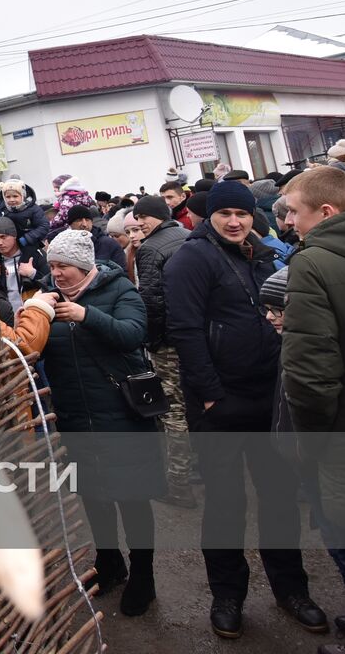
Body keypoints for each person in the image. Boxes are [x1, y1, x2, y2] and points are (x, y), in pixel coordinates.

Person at [163, 179, 327, 639]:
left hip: (268, 395)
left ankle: (291, 589)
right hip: (219, 404)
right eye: (225, 215)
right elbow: (185, 330)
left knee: (278, 498)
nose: (235, 222)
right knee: (225, 503)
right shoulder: (191, 259)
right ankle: (227, 596)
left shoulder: (266, 254)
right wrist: (212, 394)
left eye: (243, 213)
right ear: (208, 217)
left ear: (254, 215)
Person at [39, 230, 164, 617]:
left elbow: (132, 335)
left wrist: (86, 315)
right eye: (53, 266)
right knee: (93, 497)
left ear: (84, 266)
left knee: (132, 498)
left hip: (121, 415)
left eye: (64, 267)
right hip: (75, 416)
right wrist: (32, 314)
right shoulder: (48, 297)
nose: (56, 274)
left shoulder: (119, 290)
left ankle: (143, 573)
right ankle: (109, 561)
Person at [279, 166, 345, 654]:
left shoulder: (314, 263)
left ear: (327, 212)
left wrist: (309, 442)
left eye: (294, 211)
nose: (288, 221)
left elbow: (312, 377)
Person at [130, 194, 195, 508]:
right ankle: (200, 470)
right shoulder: (186, 235)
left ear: (156, 216)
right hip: (194, 335)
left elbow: (152, 301)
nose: (139, 224)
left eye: (142, 218)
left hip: (168, 340)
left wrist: (151, 340)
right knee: (194, 401)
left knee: (172, 410)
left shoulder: (152, 248)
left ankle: (179, 484)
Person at [0, 218, 49, 315]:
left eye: (3, 237)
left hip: (34, 314)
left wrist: (33, 274)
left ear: (14, 236)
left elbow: (52, 283)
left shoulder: (35, 255)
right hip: (5, 319)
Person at [0, 178, 50, 250]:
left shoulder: (33, 209)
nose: (11, 199)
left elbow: (44, 226)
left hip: (28, 242)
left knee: (29, 253)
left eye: (15, 196)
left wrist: (28, 238)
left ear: (23, 196)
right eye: (8, 197)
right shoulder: (2, 209)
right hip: (6, 243)